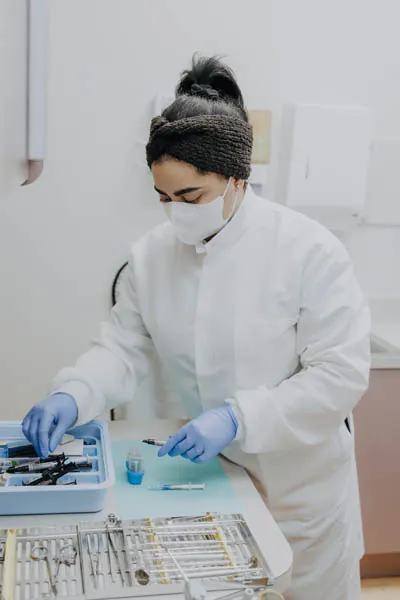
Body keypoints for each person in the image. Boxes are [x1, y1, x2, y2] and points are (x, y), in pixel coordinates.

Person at [22, 56, 370, 600]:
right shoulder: (152, 258)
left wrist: (238, 416)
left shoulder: (309, 250)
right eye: (163, 198)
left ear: (236, 178)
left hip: (302, 489)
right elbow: (124, 347)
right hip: (217, 481)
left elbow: (339, 375)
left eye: (190, 197)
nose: (175, 213)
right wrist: (75, 391)